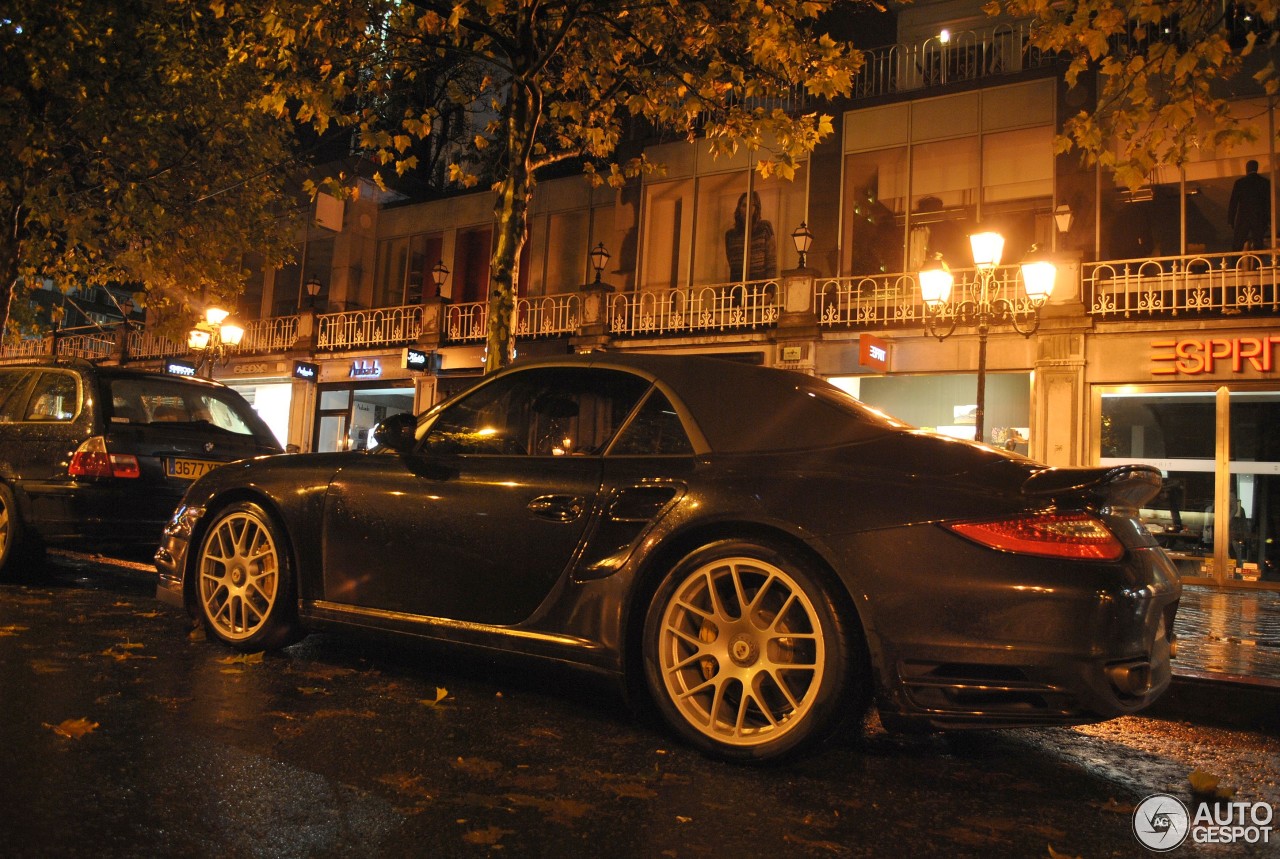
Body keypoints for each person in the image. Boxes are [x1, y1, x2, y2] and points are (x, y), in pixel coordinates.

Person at [724, 191, 777, 282]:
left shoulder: (764, 228)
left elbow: (771, 262)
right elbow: (732, 264)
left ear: (756, 208)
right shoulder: (730, 235)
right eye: (744, 205)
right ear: (739, 208)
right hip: (737, 290)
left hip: (759, 289)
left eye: (751, 205)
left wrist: (769, 291)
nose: (747, 209)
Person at [1227, 159, 1271, 252]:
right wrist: (1268, 220)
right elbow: (1267, 203)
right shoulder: (1265, 182)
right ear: (1257, 168)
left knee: (1237, 244)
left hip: (1243, 217)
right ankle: (1258, 265)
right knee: (1258, 244)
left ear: (1247, 169)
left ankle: (1235, 265)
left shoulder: (1240, 183)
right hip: (1259, 217)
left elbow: (1233, 202)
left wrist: (1231, 219)